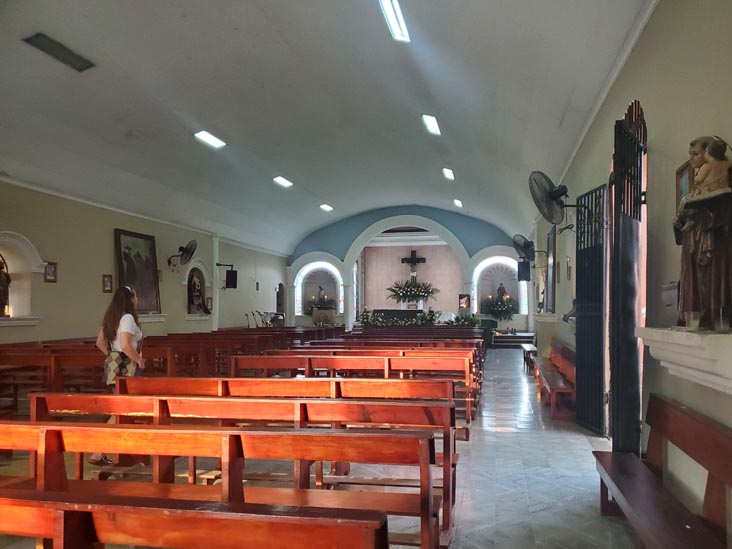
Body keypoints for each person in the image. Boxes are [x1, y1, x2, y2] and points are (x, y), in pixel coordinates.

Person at [89, 286, 145, 466]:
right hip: (128, 368)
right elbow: (126, 344)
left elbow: (100, 342)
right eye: (135, 296)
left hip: (115, 369)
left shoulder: (111, 317)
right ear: (130, 299)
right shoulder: (127, 318)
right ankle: (98, 450)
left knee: (123, 409)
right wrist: (139, 360)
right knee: (122, 410)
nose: (137, 299)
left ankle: (123, 449)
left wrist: (112, 357)